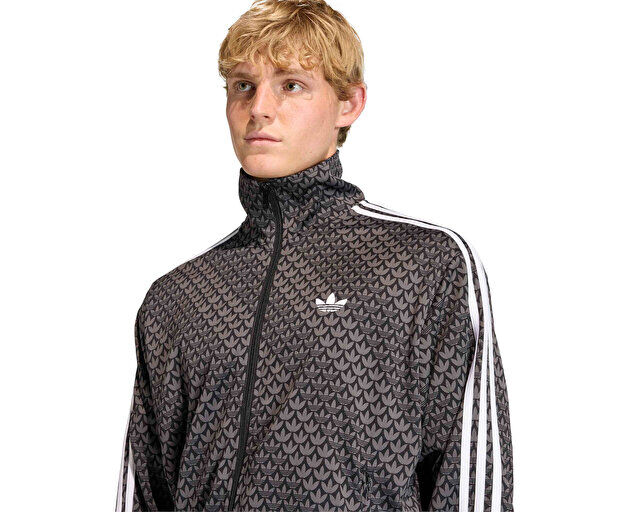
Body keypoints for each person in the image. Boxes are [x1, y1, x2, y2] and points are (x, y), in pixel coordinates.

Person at [114, 1, 514, 510]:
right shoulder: (178, 296)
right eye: (243, 86)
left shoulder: (424, 264)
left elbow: (472, 474)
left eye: (291, 85)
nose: (259, 108)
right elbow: (145, 491)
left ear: (349, 103)